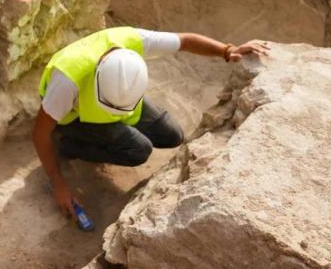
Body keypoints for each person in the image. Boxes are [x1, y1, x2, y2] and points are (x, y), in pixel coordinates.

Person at [32, 26, 269, 222]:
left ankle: (110, 126)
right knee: (138, 150)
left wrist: (228, 50)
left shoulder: (130, 42)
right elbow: (40, 133)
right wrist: (58, 182)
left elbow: (185, 41)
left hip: (121, 105)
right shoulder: (67, 81)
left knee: (173, 135)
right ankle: (70, 146)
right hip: (75, 117)